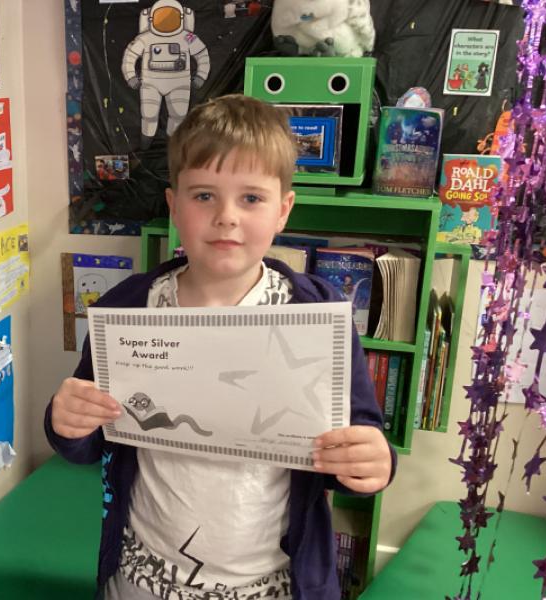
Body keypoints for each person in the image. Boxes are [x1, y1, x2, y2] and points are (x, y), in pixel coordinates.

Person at [44, 94, 395, 600]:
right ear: (173, 206)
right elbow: (90, 440)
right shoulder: (129, 307)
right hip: (142, 581)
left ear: (283, 210)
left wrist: (372, 462)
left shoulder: (315, 314)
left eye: (251, 198)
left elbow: (356, 435)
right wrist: (66, 421)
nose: (226, 216)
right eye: (204, 195)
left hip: (270, 587)